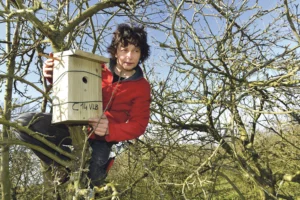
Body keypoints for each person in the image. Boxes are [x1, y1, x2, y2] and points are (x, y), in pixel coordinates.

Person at [14, 23, 151, 187]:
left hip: (102, 139)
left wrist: (110, 130)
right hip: (74, 124)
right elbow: (72, 85)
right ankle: (63, 164)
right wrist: (53, 73)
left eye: (135, 51)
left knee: (92, 181)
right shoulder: (96, 67)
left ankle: (93, 172)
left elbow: (139, 124)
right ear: (115, 51)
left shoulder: (142, 86)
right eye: (124, 49)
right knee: (22, 124)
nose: (129, 56)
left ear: (141, 54)